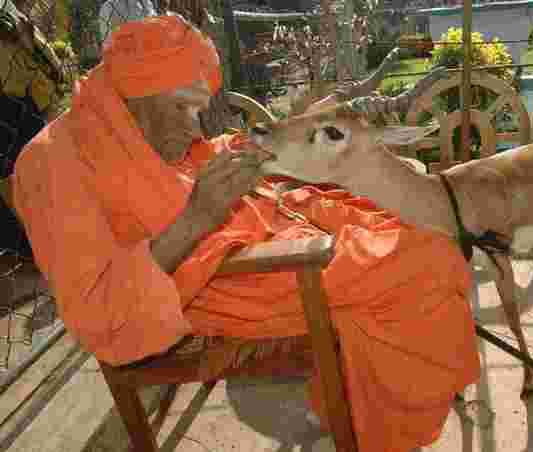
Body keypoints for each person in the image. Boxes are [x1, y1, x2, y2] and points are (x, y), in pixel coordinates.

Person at [12, 13, 480, 452]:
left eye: (198, 109)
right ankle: (384, 430)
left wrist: (253, 149)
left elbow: (194, 158)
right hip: (227, 284)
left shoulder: (132, 124)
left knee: (413, 224)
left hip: (262, 228)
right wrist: (198, 216)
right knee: (428, 260)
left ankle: (364, 391)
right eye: (182, 108)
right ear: (132, 96)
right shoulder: (51, 166)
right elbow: (102, 313)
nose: (193, 126)